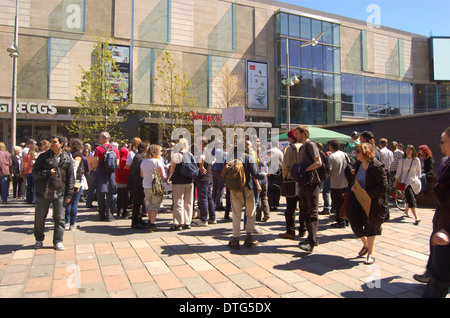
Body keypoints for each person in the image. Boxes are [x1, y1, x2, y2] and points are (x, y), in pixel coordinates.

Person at [346, 143, 389, 265]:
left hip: (373, 202)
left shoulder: (376, 166)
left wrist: (368, 194)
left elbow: (383, 186)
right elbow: (356, 180)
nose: (356, 154)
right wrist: (355, 186)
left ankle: (370, 253)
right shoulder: (358, 164)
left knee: (371, 227)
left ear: (365, 152)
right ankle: (365, 244)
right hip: (358, 198)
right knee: (355, 224)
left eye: (358, 151)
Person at [32, 134, 75, 251]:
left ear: (61, 144)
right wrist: (47, 173)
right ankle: (39, 239)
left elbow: (71, 177)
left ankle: (58, 241)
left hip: (59, 193)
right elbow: (35, 171)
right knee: (40, 217)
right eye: (51, 142)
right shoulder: (43, 157)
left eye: (55, 142)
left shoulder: (66, 158)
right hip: (43, 191)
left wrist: (69, 194)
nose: (52, 144)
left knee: (59, 218)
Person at [422, 127, 450, 298]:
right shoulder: (445, 162)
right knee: (437, 278)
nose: (440, 145)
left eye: (443, 141)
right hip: (442, 229)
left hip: (446, 232)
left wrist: (447, 231)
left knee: (438, 280)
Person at [227, 139, 267, 249]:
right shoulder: (248, 158)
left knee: (236, 214)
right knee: (250, 212)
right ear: (245, 148)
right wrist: (264, 175)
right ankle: (248, 237)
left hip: (234, 189)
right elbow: (256, 174)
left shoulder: (230, 157)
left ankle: (235, 239)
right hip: (247, 188)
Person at [295, 125, 323, 253]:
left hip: (312, 183)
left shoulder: (311, 145)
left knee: (312, 212)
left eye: (297, 133)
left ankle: (311, 241)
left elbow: (318, 162)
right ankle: (312, 237)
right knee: (305, 211)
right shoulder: (301, 147)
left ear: (304, 133)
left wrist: (304, 169)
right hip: (304, 183)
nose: (296, 136)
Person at [278, 129, 304, 240]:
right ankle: (303, 230)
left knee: (290, 208)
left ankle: (290, 231)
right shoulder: (305, 146)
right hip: (304, 181)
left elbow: (286, 166)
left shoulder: (289, 148)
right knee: (303, 208)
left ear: (290, 138)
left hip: (292, 181)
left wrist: (285, 177)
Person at [167, 138, 195, 231]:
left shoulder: (176, 155)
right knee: (188, 202)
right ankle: (187, 222)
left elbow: (172, 169)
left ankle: (178, 223)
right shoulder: (190, 154)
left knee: (178, 202)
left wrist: (168, 178)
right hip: (189, 181)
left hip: (178, 181)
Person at [94, 132, 120, 222]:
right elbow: (117, 163)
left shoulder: (98, 148)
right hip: (111, 174)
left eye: (100, 137)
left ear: (104, 138)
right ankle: (110, 215)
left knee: (101, 195)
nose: (99, 138)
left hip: (101, 173)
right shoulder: (115, 149)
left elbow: (96, 163)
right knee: (110, 194)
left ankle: (101, 215)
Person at [141, 144, 167, 232]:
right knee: (155, 205)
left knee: (149, 204)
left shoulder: (143, 161)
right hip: (156, 185)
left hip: (146, 184)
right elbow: (163, 175)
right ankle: (152, 223)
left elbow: (141, 174)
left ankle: (149, 220)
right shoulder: (157, 161)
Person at [394, 145, 422, 225]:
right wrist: (396, 181)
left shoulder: (416, 160)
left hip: (415, 182)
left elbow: (419, 173)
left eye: (410, 150)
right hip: (405, 182)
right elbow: (398, 172)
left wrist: (419, 182)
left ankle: (406, 211)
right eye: (407, 150)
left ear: (413, 151)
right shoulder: (402, 161)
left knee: (412, 198)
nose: (408, 151)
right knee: (411, 199)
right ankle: (417, 217)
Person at [192, 138, 216, 227]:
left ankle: (203, 219)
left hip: (202, 178)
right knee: (209, 198)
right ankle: (212, 218)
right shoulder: (208, 151)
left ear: (202, 144)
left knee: (203, 199)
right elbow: (214, 159)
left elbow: (201, 158)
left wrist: (201, 166)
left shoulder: (202, 152)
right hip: (209, 177)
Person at [327, 139, 349, 228]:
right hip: (345, 181)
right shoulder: (344, 154)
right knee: (344, 202)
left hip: (335, 182)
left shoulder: (331, 157)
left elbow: (329, 170)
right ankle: (346, 219)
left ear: (331, 147)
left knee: (337, 203)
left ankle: (340, 221)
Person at [65, 138, 86, 230]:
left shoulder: (68, 154)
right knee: (74, 203)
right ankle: (72, 224)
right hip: (76, 181)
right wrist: (73, 180)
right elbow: (75, 166)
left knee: (68, 202)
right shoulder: (78, 154)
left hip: (68, 180)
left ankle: (66, 221)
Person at [130, 140, 150, 229]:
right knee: (137, 202)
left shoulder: (141, 156)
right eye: (148, 147)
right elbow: (138, 171)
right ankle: (135, 222)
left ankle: (139, 219)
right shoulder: (139, 157)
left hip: (139, 182)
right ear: (144, 148)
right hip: (137, 183)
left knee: (140, 201)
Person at [115, 145, 130, 218]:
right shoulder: (125, 160)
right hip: (124, 180)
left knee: (119, 196)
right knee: (125, 196)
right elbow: (126, 171)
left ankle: (118, 210)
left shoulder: (118, 160)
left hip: (118, 180)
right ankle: (124, 210)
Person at [211, 139, 226, 211]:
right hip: (220, 171)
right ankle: (219, 204)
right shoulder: (221, 152)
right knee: (220, 188)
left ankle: (212, 203)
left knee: (214, 188)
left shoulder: (212, 151)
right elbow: (224, 162)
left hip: (213, 170)